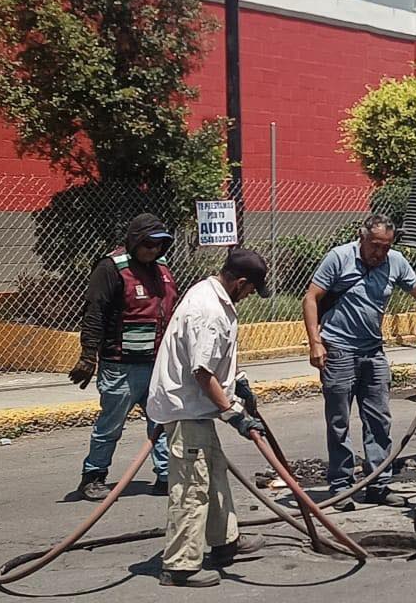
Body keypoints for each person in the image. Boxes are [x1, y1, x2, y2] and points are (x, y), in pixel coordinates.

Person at [146, 248, 271, 588]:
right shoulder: (210, 312)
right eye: (249, 290)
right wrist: (234, 414)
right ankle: (180, 566)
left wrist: (237, 381)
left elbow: (214, 361)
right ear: (240, 282)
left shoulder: (210, 294)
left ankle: (225, 542)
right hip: (187, 410)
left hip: (196, 410)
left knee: (214, 477)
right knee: (191, 490)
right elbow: (202, 372)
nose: (249, 297)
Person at [302, 214, 416, 511]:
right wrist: (315, 343)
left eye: (385, 247)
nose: (379, 253)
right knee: (339, 422)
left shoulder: (395, 261)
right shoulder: (338, 258)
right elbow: (311, 298)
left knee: (379, 420)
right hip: (338, 350)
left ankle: (378, 484)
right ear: (362, 238)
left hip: (373, 351)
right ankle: (342, 486)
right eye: (374, 246)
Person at [70, 213, 177, 501]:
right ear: (135, 241)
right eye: (148, 244)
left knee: (162, 422)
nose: (153, 251)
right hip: (121, 366)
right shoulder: (111, 268)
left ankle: (166, 475)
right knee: (110, 425)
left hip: (157, 364)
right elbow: (95, 311)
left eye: (159, 245)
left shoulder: (162, 270)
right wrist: (88, 355)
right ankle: (93, 476)